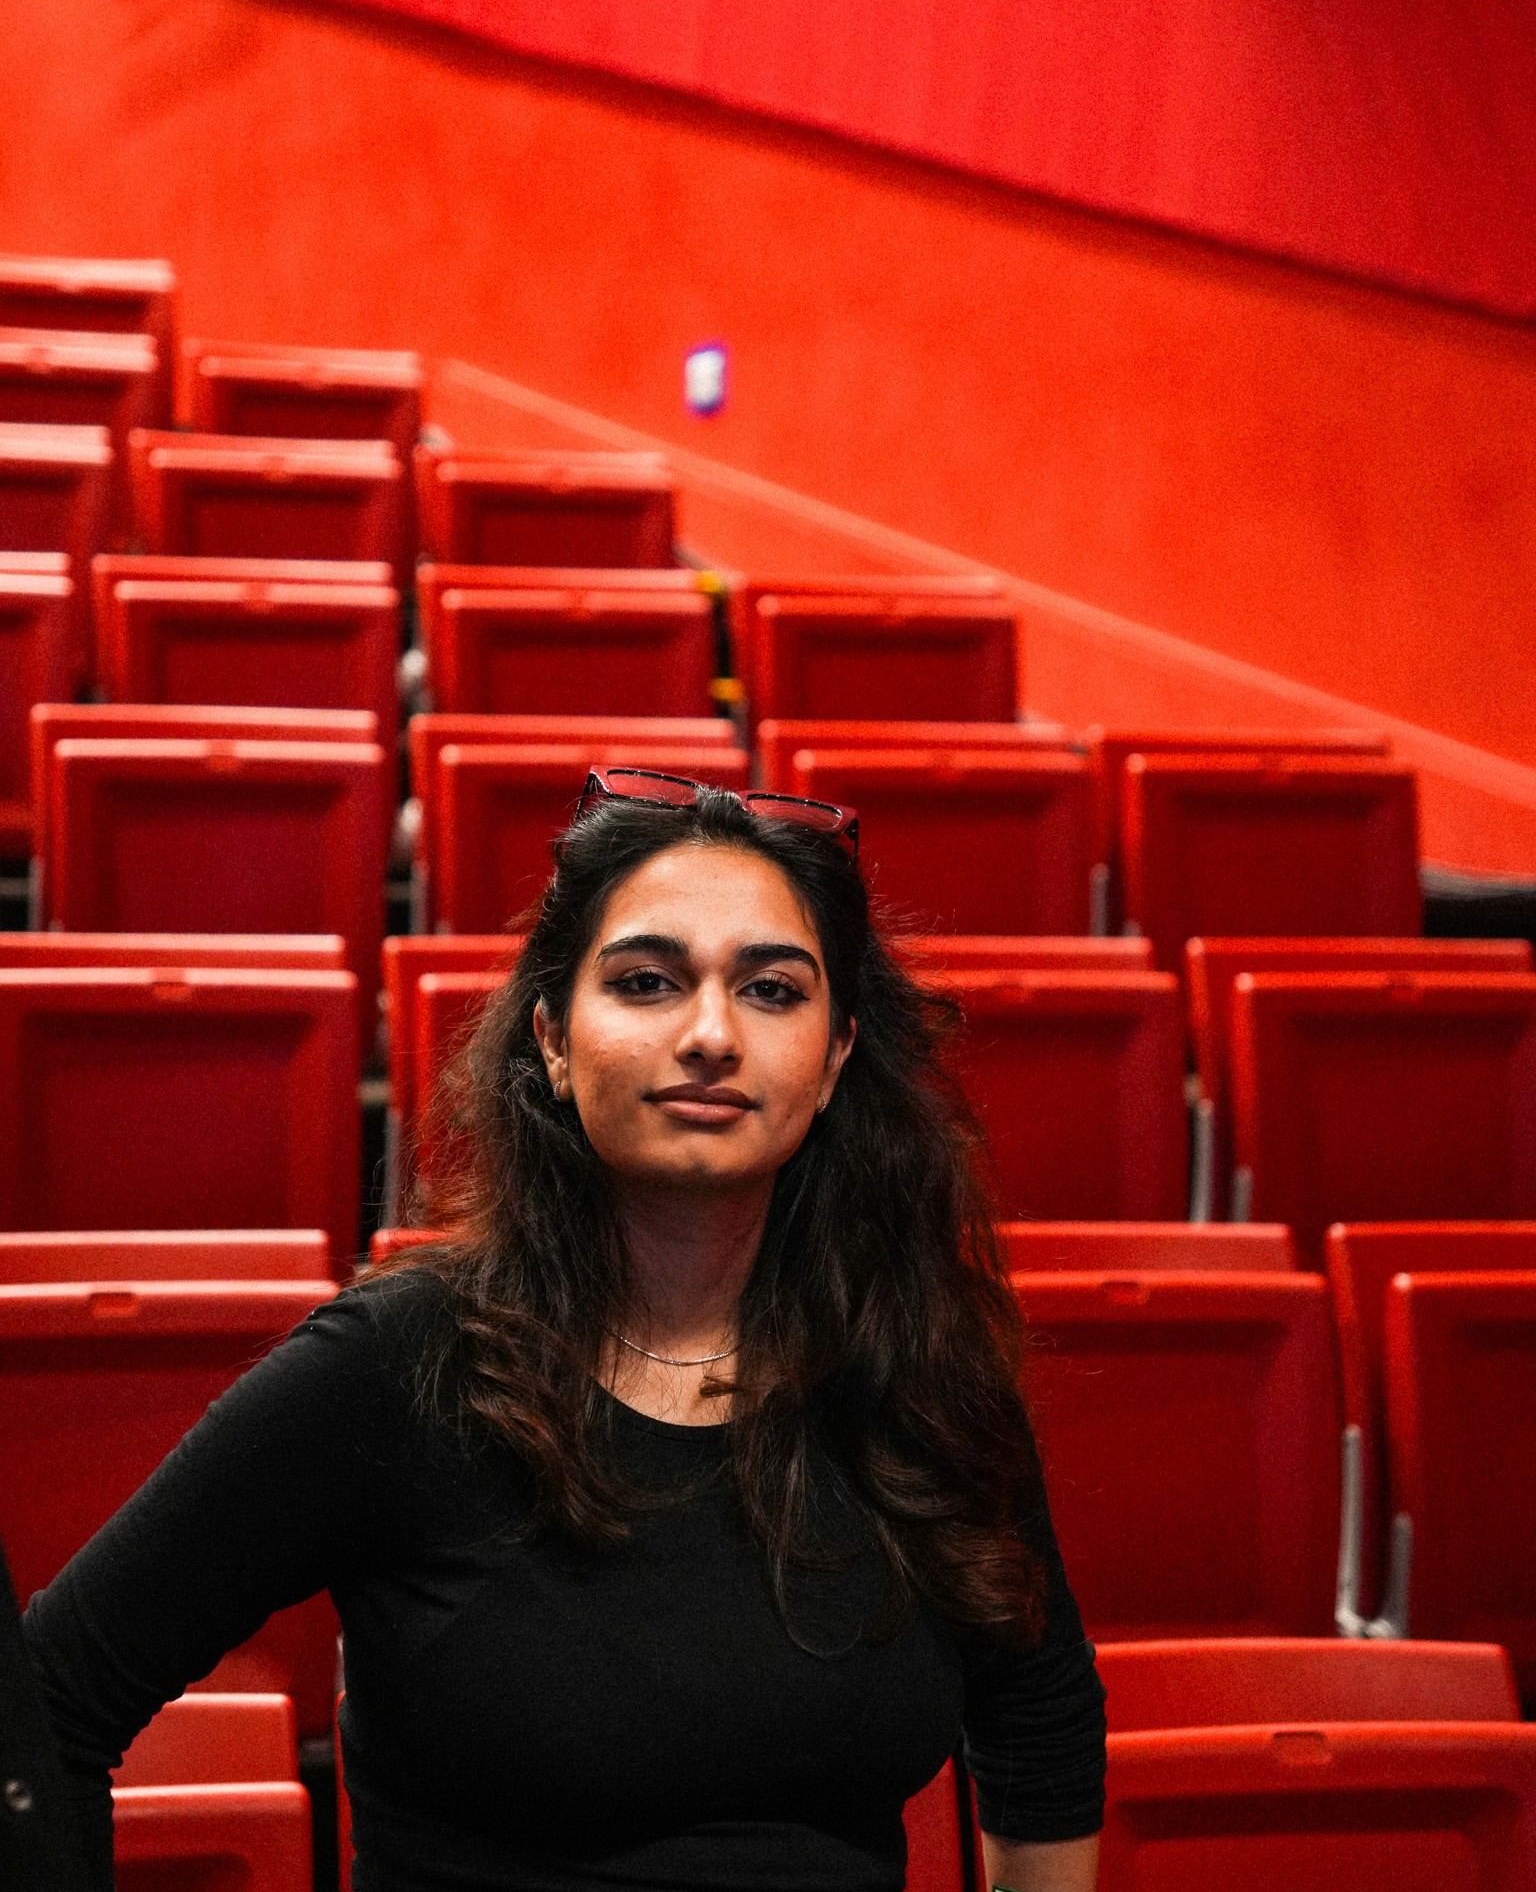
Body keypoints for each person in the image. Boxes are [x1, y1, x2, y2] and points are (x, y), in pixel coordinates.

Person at [23, 768, 1106, 1892]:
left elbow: (1041, 1714)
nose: (710, 1033)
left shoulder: (915, 1360)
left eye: (773, 990)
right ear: (551, 1037)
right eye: (646, 981)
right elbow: (52, 1700)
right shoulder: (395, 1363)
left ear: (835, 1059)